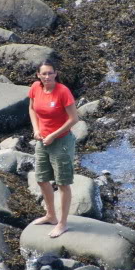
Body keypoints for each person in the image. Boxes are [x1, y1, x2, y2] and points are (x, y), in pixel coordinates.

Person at [28, 60, 80, 238]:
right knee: (42, 179)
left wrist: (53, 135)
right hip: (42, 140)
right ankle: (50, 215)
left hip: (61, 141)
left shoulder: (63, 91)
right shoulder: (35, 87)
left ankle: (63, 223)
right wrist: (36, 129)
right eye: (44, 74)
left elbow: (74, 119)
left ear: (56, 73)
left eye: (51, 73)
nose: (47, 77)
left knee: (63, 183)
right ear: (38, 75)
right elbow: (32, 108)